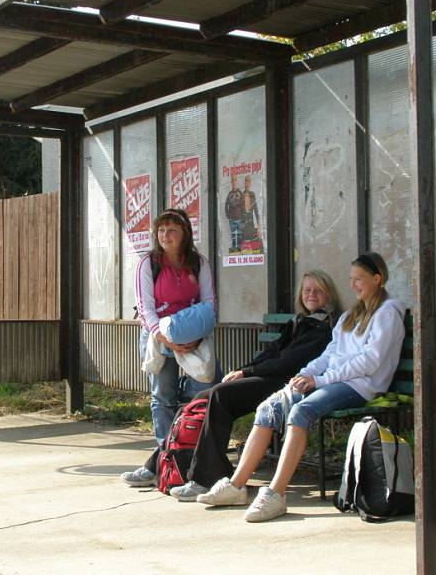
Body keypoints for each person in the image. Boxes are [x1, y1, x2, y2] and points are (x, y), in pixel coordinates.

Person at [196, 252, 405, 523]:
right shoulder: (351, 316)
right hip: (333, 380)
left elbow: (370, 361)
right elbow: (330, 354)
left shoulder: (388, 312)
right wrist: (305, 374)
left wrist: (319, 380)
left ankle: (275, 493)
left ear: (378, 279)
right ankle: (236, 487)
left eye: (360, 279)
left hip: (360, 385)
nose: (354, 285)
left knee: (301, 412)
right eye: (351, 279)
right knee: (269, 408)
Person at [122, 270, 343, 497]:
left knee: (220, 397)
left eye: (318, 290)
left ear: (329, 295)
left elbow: (289, 363)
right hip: (272, 376)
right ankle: (158, 464)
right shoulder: (299, 322)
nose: (312, 295)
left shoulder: (325, 327)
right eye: (307, 290)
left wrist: (247, 372)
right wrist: (243, 370)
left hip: (291, 383)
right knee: (200, 399)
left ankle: (206, 478)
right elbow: (272, 352)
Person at [122, 209, 218, 486]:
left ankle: (187, 452)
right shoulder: (148, 264)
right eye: (161, 230)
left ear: (185, 233)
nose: (166, 235)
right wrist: (167, 340)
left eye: (172, 229)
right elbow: (145, 309)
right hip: (159, 338)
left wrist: (196, 338)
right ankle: (164, 461)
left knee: (202, 392)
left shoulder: (198, 263)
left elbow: (210, 303)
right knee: (162, 396)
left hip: (193, 337)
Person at [224, 174, 244, 252]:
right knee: (233, 235)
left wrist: (241, 215)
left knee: (239, 235)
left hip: (239, 218)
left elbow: (243, 205)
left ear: (237, 183)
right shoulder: (229, 194)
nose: (234, 184)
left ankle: (240, 250)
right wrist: (228, 215)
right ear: (231, 183)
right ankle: (234, 251)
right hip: (232, 218)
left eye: (235, 182)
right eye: (233, 182)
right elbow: (226, 205)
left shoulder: (240, 193)